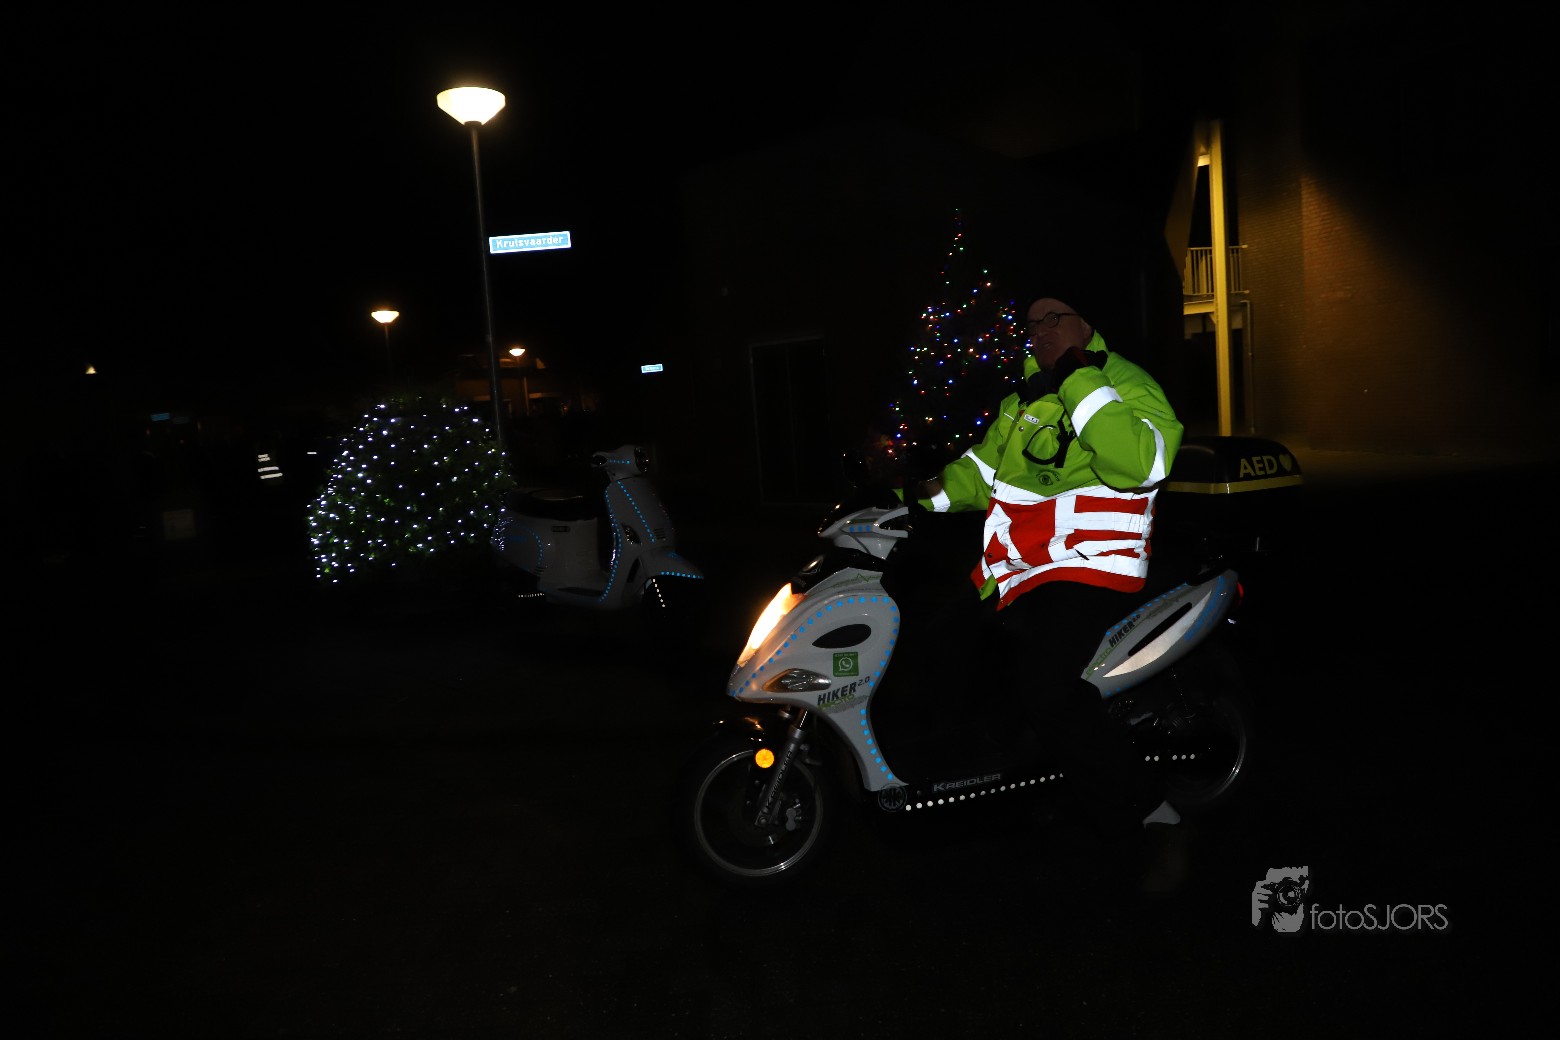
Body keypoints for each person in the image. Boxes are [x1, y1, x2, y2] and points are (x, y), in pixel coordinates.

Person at [898, 292, 1188, 892]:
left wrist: (1079, 377)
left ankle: (1151, 812)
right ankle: (1007, 781)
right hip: (1019, 568)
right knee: (938, 641)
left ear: (1087, 322)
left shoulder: (1123, 383)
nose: (1042, 330)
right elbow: (979, 474)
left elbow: (1142, 463)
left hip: (1092, 566)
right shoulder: (1024, 401)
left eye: (1056, 317)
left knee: (1047, 689)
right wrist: (915, 495)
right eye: (1033, 323)